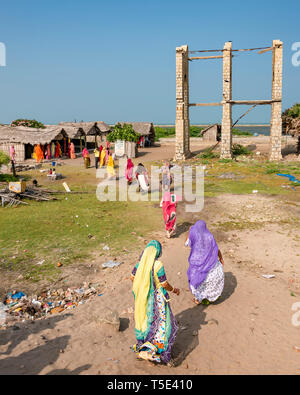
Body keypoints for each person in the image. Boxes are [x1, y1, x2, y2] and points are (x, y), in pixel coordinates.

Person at [131, 240, 179, 364]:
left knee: (146, 320)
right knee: (162, 322)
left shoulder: (140, 264)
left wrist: (143, 286)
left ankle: (145, 348)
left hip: (143, 298)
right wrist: (174, 290)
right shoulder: (157, 265)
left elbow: (132, 277)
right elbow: (164, 283)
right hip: (157, 299)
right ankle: (158, 350)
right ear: (157, 252)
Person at [185, 220, 225, 305]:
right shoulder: (209, 236)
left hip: (197, 262)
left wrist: (189, 231)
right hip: (210, 263)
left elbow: (186, 243)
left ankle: (197, 299)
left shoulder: (194, 236)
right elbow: (216, 249)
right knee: (211, 278)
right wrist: (221, 258)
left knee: (196, 279)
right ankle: (210, 298)